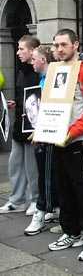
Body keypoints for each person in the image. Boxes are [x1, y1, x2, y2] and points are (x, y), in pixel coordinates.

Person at [47, 28, 83, 262]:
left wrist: (70, 133)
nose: (59, 49)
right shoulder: (56, 70)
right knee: (64, 189)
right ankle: (71, 231)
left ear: (76, 45)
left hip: (79, 139)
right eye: (56, 45)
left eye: (64, 45)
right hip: (58, 138)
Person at [0, 35, 40, 216]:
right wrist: (16, 102)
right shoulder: (21, 71)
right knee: (14, 164)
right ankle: (16, 200)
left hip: (32, 127)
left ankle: (35, 200)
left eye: (21, 49)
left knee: (32, 168)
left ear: (32, 51)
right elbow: (25, 95)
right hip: (19, 125)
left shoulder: (37, 71)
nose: (17, 52)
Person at [25, 45, 59, 236]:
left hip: (48, 135)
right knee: (46, 175)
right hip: (43, 132)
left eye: (34, 59)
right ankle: (52, 208)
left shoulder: (50, 80)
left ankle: (41, 209)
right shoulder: (43, 79)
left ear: (43, 60)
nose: (32, 62)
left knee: (46, 176)